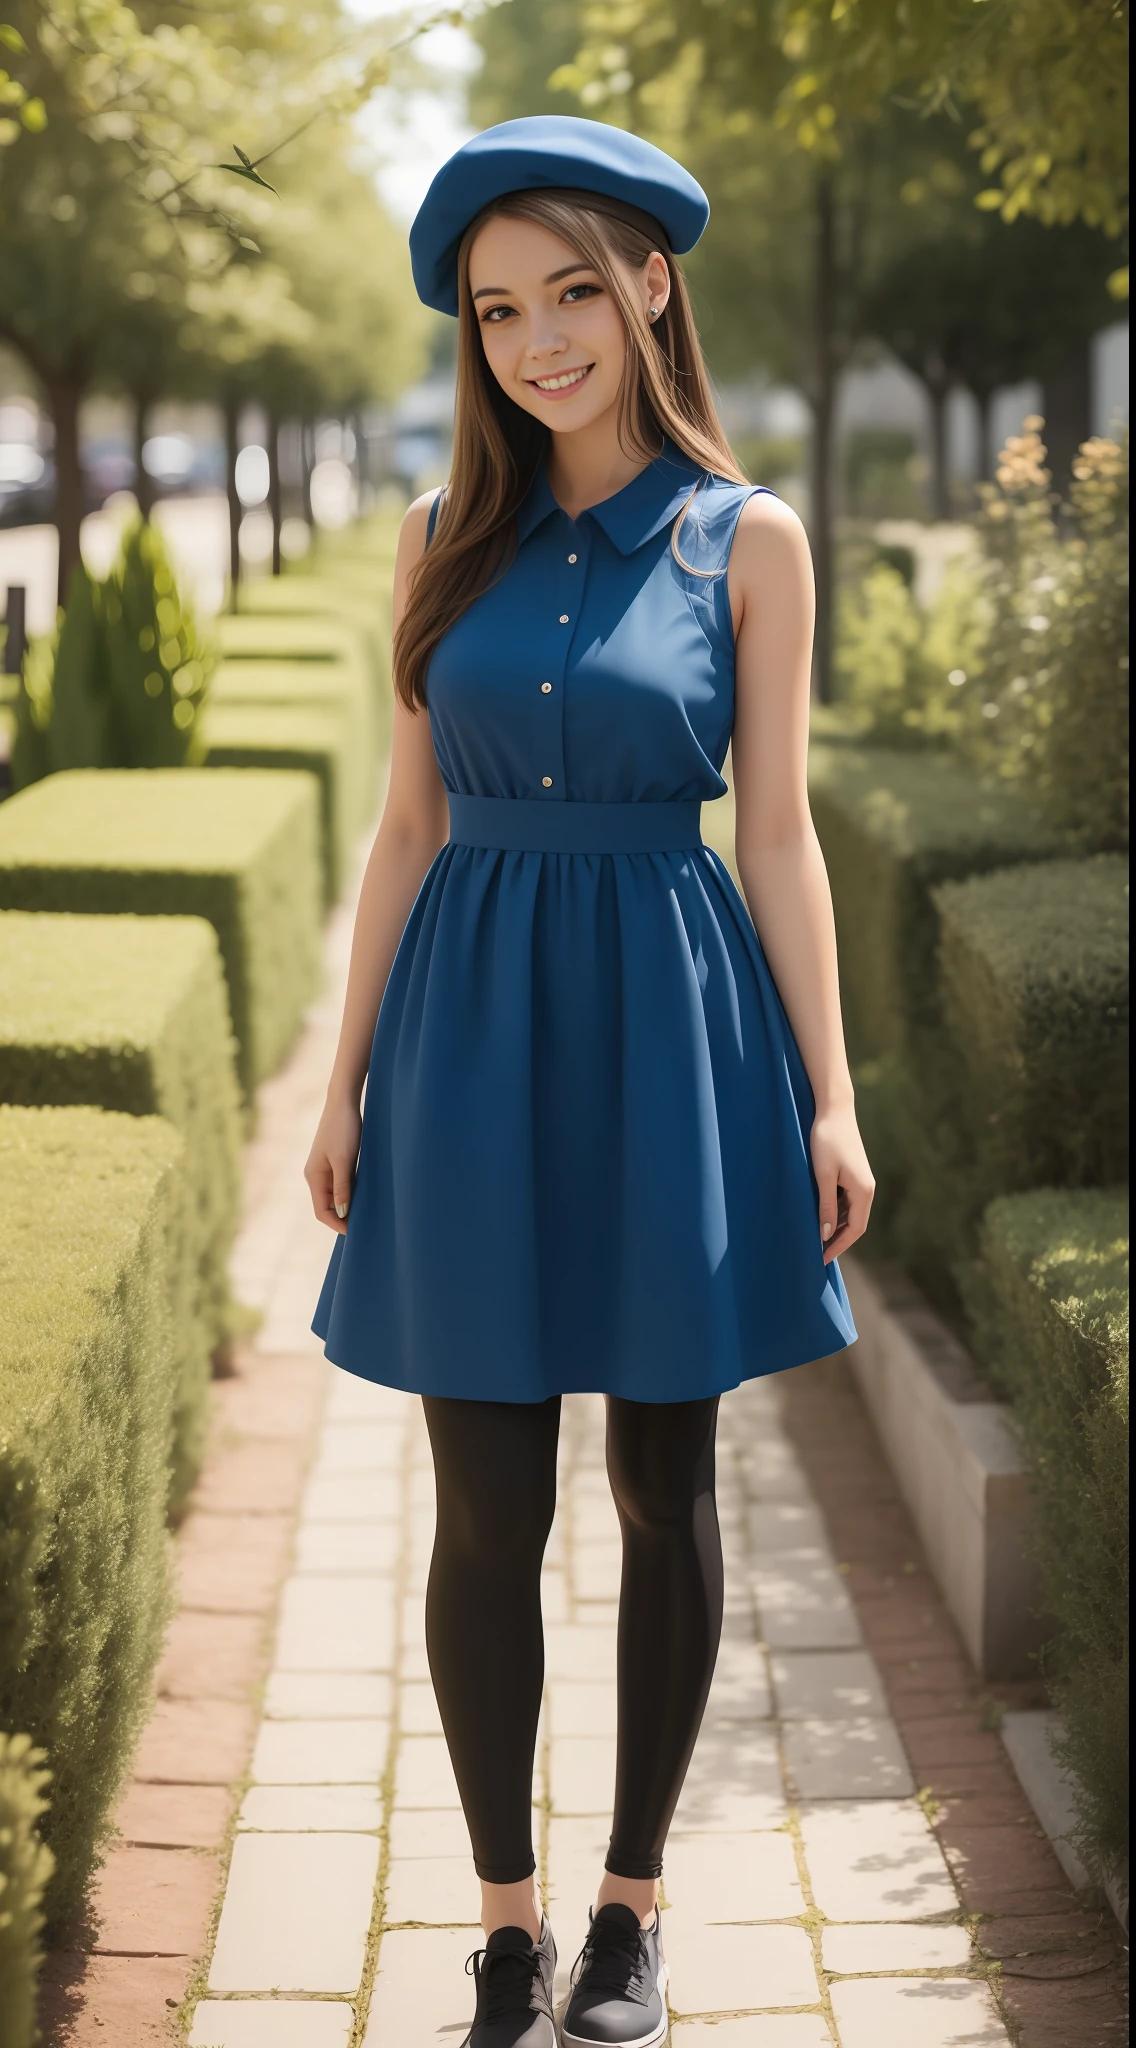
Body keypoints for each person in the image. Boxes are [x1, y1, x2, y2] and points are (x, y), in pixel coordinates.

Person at [305, 114, 874, 2048]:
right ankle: (505, 1922)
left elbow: (780, 838)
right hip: (466, 1036)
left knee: (659, 1475)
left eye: (570, 291)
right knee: (484, 1503)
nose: (537, 339)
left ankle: (632, 1907)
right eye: (496, 310)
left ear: (650, 287)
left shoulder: (750, 540)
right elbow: (399, 835)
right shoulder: (434, 541)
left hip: (669, 1028)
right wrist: (344, 1079)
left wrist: (833, 1093)